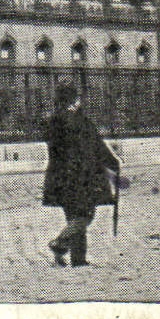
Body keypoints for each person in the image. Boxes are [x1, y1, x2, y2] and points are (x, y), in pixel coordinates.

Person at [42, 83, 120, 267]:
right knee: (86, 215)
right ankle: (61, 242)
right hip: (81, 177)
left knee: (73, 214)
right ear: (73, 101)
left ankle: (78, 259)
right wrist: (113, 163)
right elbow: (96, 147)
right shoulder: (80, 122)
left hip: (59, 177)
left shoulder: (52, 122)